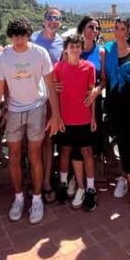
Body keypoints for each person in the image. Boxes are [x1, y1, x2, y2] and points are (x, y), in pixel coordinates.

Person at [0, 18, 61, 224]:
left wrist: (55, 114)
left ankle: (36, 198)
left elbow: (50, 84)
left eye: (23, 35)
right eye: (15, 36)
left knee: (35, 154)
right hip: (13, 109)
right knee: (14, 155)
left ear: (29, 35)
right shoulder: (4, 57)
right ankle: (19, 197)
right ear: (10, 37)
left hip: (37, 107)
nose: (19, 40)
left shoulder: (40, 53)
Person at [103, 17, 130, 218]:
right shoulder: (108, 50)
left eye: (123, 28)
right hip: (113, 103)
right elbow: (103, 77)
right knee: (121, 142)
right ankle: (125, 178)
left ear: (128, 31)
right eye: (116, 28)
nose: (119, 31)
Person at [53, 34, 99, 210]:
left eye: (77, 46)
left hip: (84, 118)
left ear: (81, 49)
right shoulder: (58, 68)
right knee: (64, 151)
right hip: (65, 118)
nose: (74, 49)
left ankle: (90, 187)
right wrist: (57, 117)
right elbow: (54, 94)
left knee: (87, 151)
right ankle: (63, 184)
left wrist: (93, 116)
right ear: (65, 49)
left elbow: (91, 94)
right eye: (71, 46)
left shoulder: (89, 67)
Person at [66, 15, 106, 204]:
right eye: (91, 27)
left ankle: (86, 184)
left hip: (92, 104)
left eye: (97, 28)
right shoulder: (74, 49)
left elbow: (103, 79)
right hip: (72, 105)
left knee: (90, 146)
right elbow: (61, 72)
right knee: (75, 145)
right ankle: (78, 180)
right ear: (82, 29)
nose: (94, 31)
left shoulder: (101, 52)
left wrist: (98, 90)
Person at [31, 6, 65, 203]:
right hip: (33, 98)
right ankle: (35, 181)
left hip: (53, 99)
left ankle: (45, 182)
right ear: (43, 20)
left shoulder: (62, 42)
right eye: (50, 17)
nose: (53, 21)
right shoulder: (33, 39)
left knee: (49, 141)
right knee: (35, 142)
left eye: (57, 18)